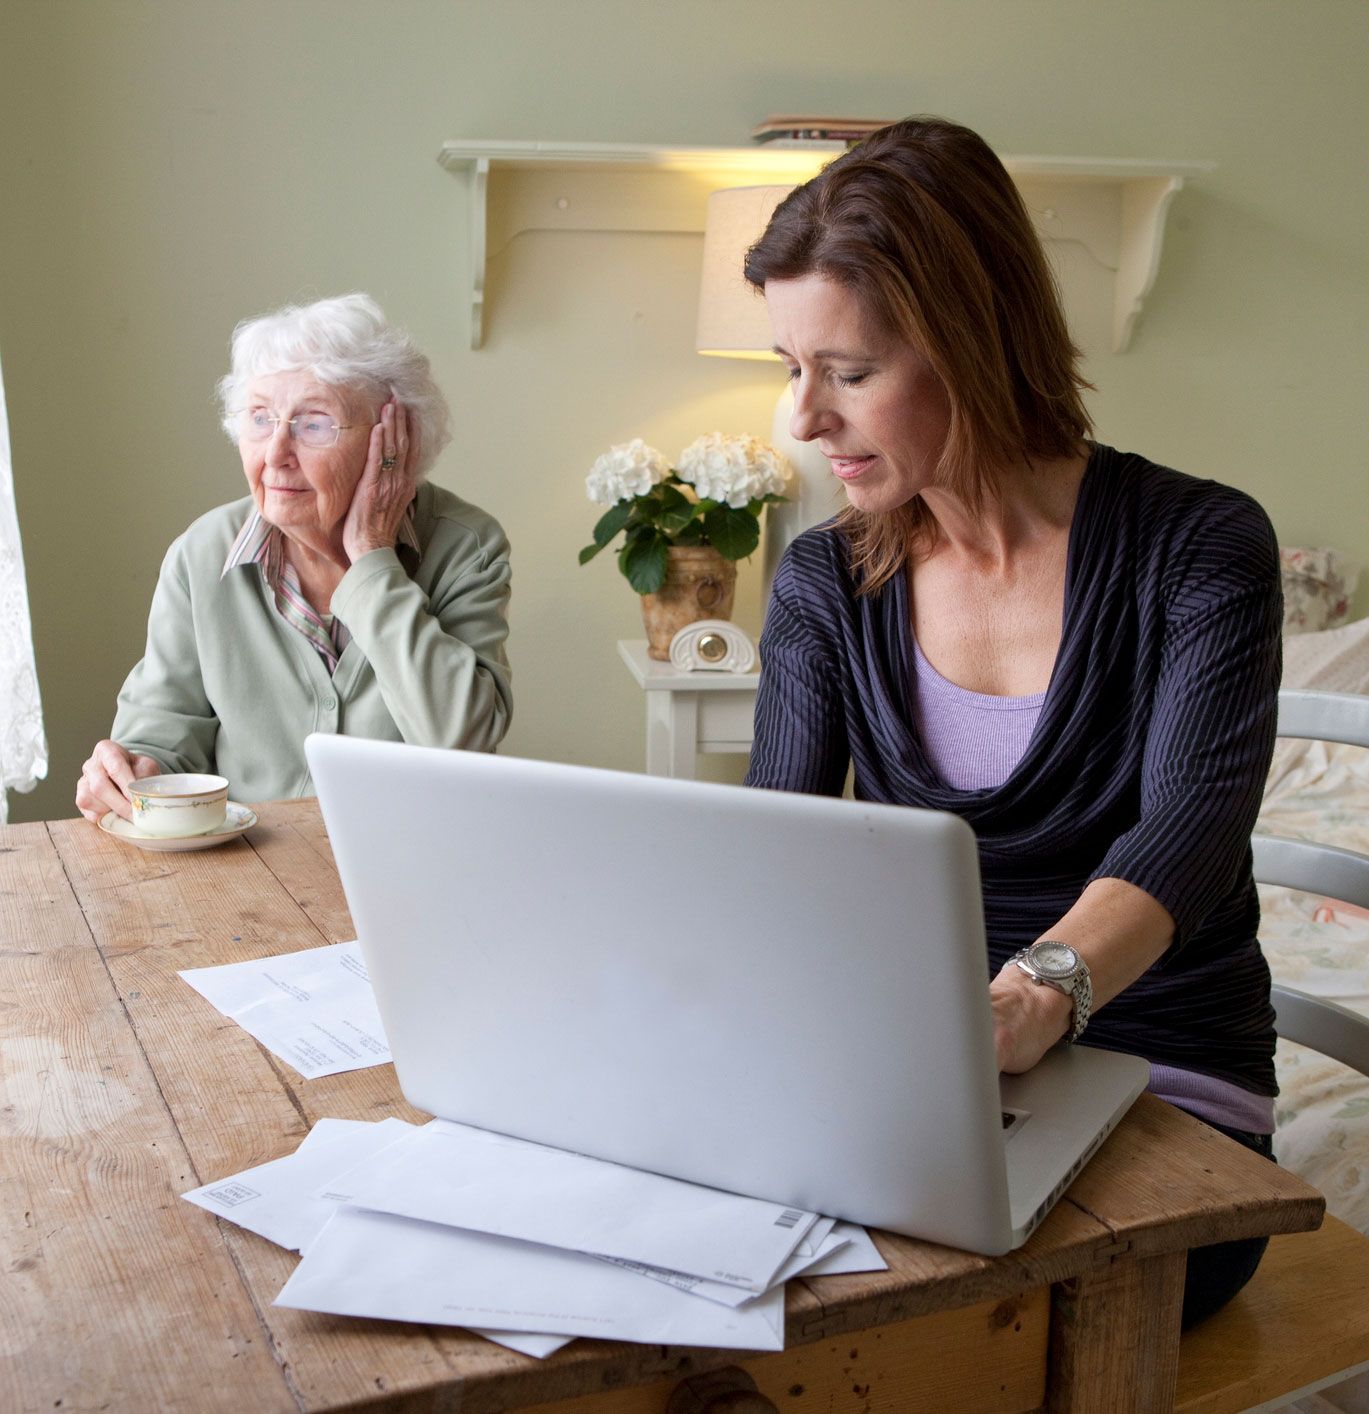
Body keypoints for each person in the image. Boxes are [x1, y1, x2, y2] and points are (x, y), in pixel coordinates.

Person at [742, 117, 1282, 1327]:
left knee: (888, 1306)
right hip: (915, 1084)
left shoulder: (1199, 548)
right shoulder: (826, 583)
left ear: (972, 340)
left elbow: (1188, 832)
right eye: (791, 366)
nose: (804, 421)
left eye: (848, 370)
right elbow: (775, 848)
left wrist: (1034, 997)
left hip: (1163, 1072)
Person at [76, 293, 512, 820]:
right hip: (248, 874)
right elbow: (164, 733)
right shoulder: (202, 553)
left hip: (409, 864)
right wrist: (135, 770)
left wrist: (372, 559)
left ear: (396, 444)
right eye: (260, 418)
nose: (276, 454)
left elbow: (463, 745)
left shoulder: (466, 547)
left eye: (313, 424)